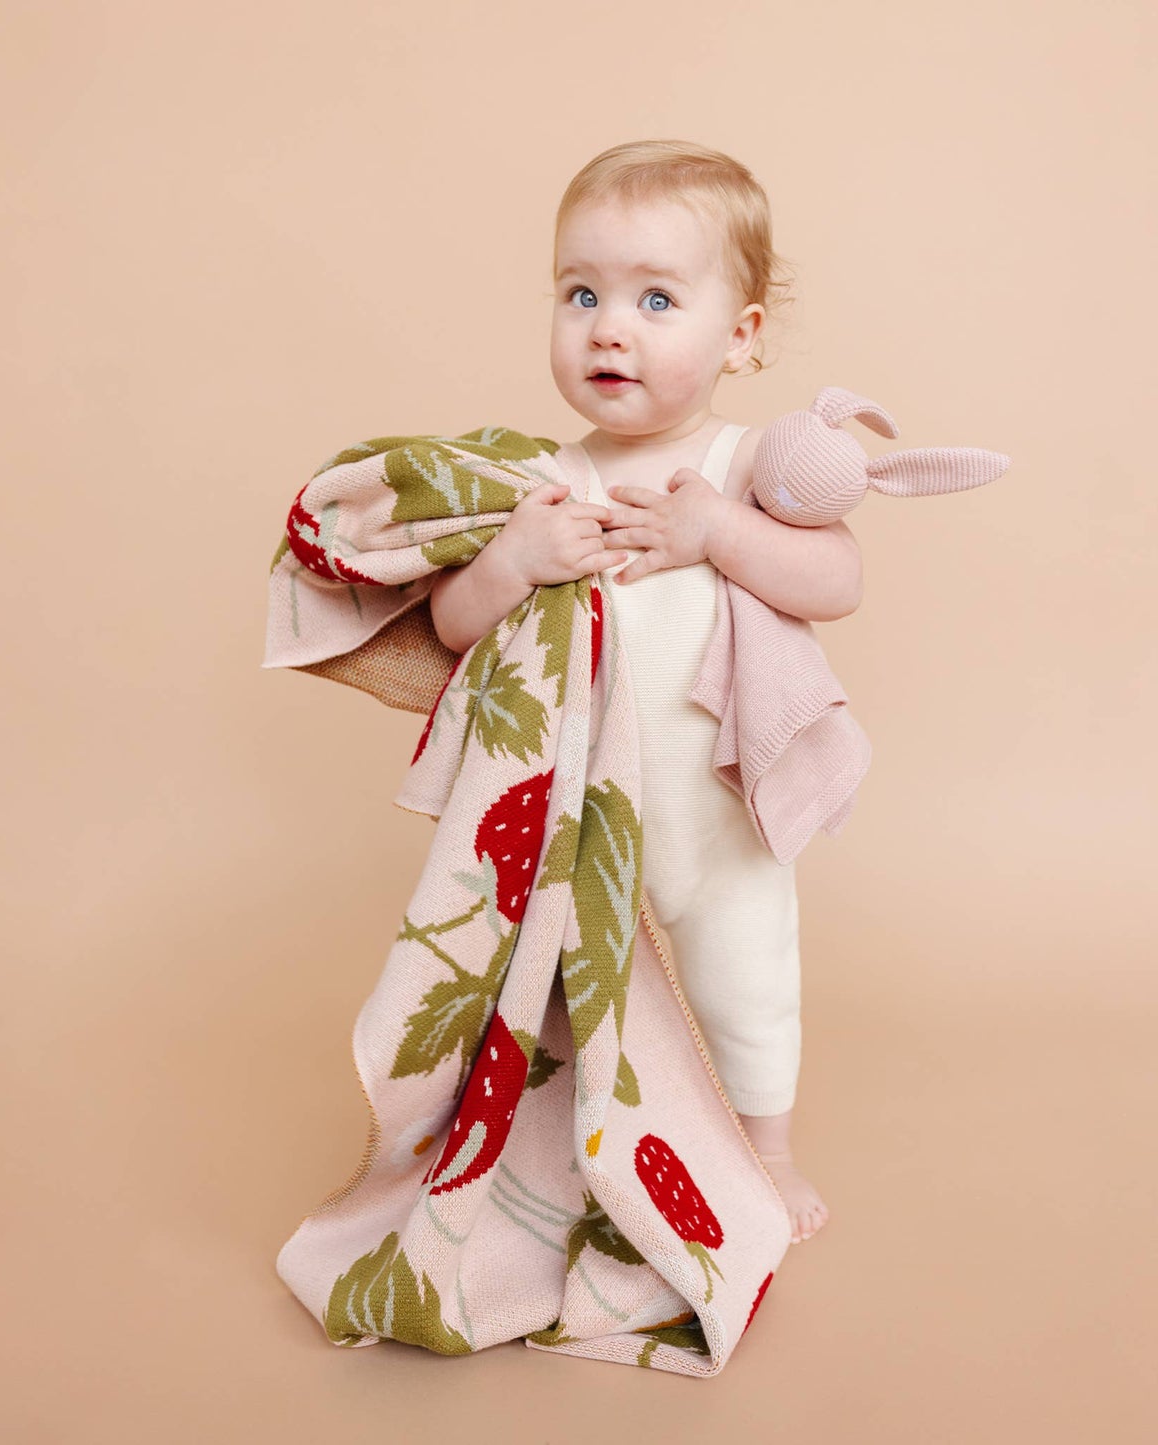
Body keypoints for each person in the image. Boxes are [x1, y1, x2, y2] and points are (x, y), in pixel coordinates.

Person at [428, 140, 863, 1245]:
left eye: (655, 298)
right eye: (580, 294)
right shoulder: (544, 485)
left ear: (741, 335)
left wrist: (715, 532)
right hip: (582, 824)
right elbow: (450, 629)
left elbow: (837, 579)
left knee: (745, 977)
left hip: (714, 813)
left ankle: (765, 1144)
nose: (606, 328)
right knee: (572, 1003)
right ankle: (581, 1152)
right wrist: (512, 562)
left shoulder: (741, 467)